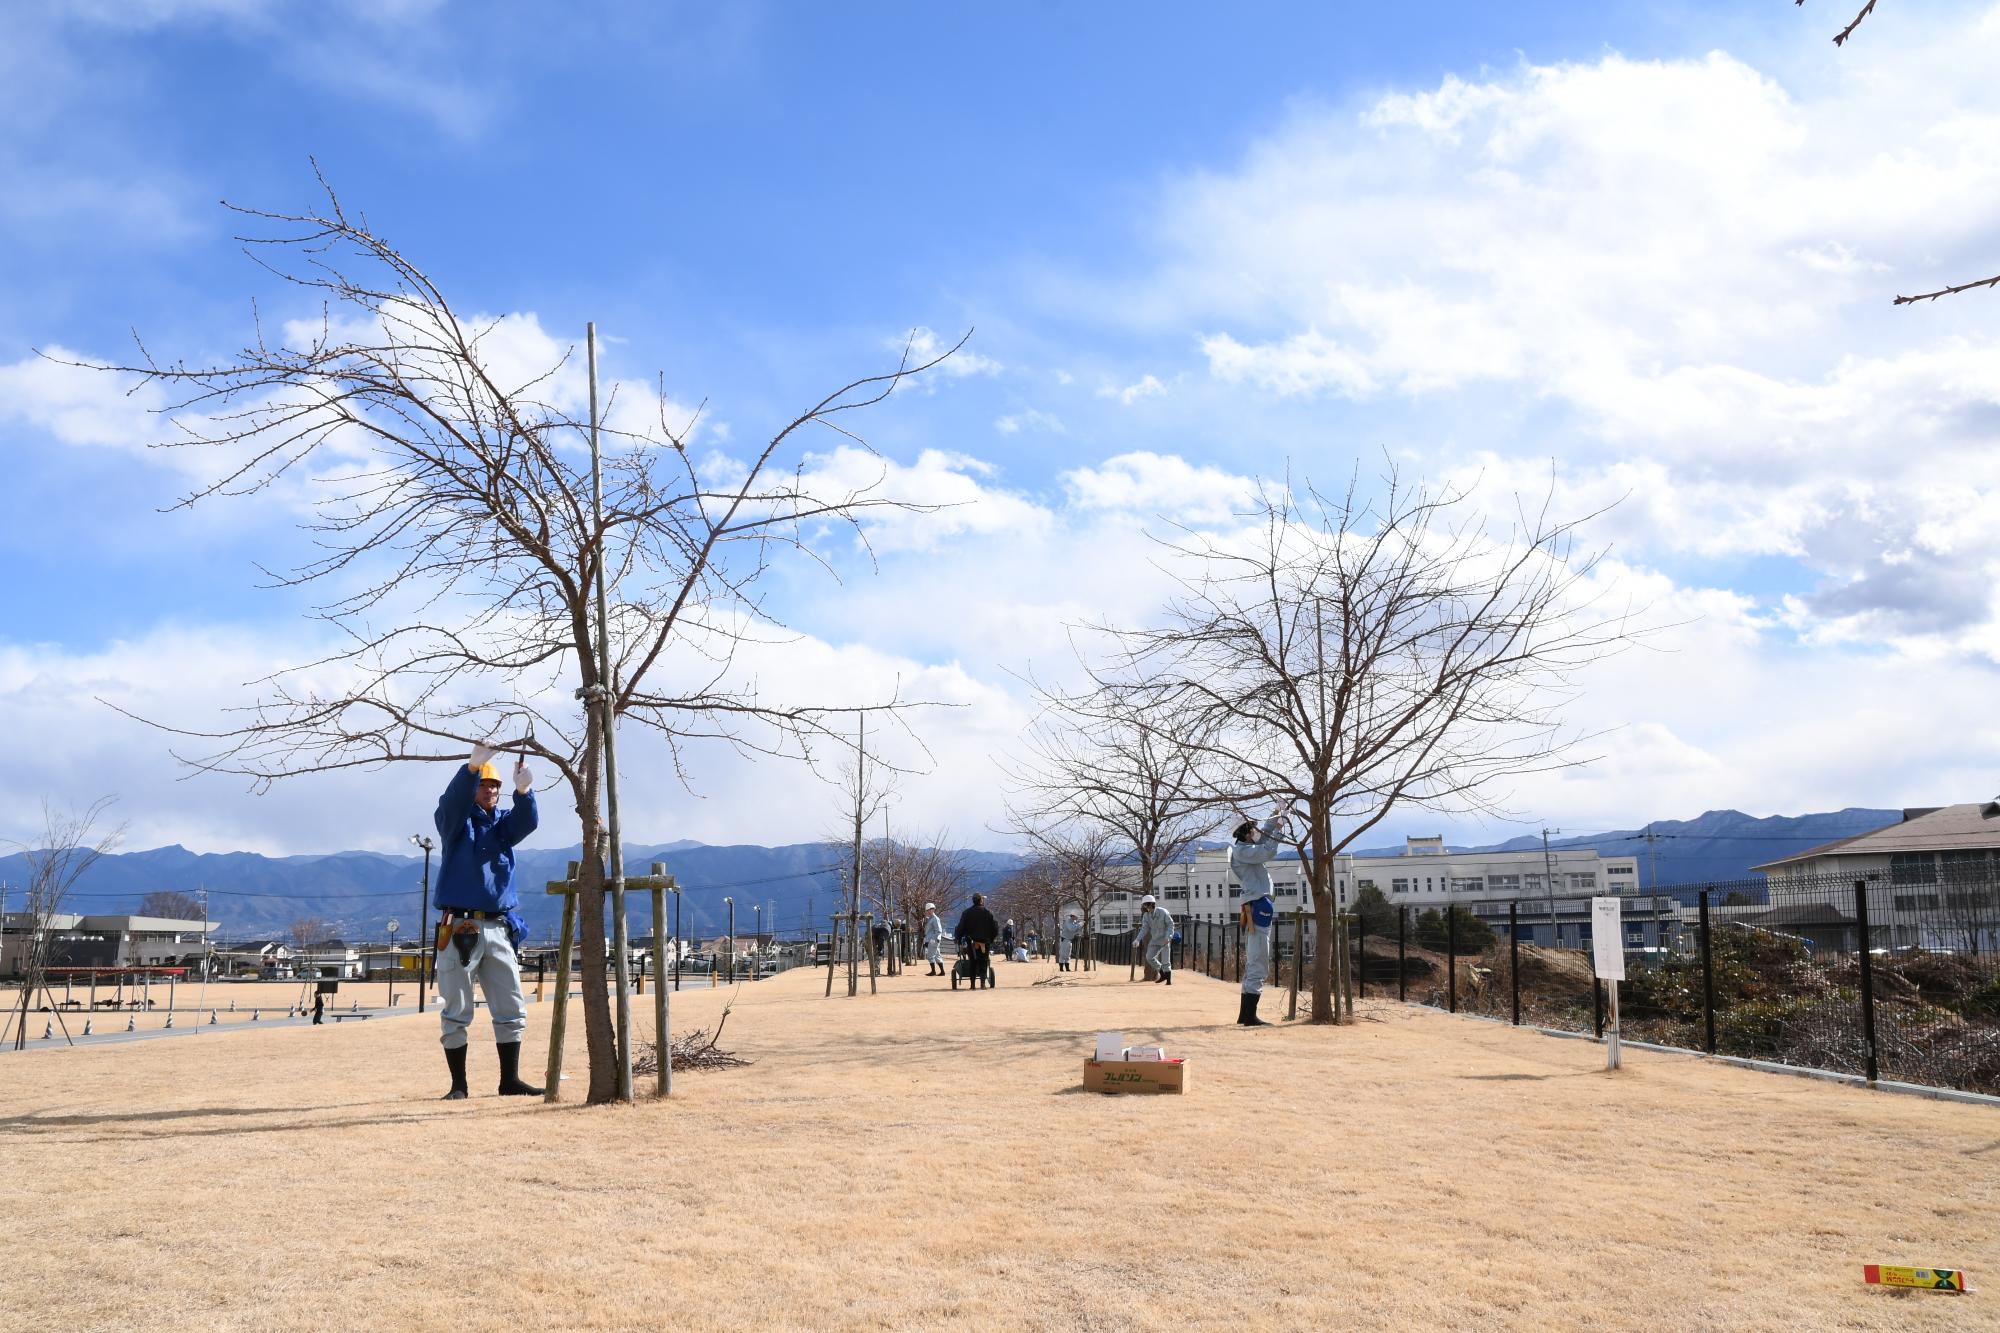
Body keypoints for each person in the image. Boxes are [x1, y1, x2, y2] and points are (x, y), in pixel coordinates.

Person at [433, 741, 541, 1099]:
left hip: (498, 926)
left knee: (511, 1004)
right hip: (461, 925)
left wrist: (523, 791)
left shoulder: (503, 827)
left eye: (496, 786)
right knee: (457, 1006)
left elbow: (527, 822)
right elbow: (450, 806)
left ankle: (509, 1080)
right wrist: (470, 768)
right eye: (485, 784)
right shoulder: (456, 826)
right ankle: (458, 1085)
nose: (492, 790)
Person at [1231, 807, 1287, 1026]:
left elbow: (1265, 834)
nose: (1256, 829)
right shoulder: (1243, 852)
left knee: (1255, 959)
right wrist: (1280, 829)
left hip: (1256, 905)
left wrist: (1276, 815)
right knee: (1258, 960)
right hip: (1257, 906)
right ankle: (1249, 1016)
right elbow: (1268, 850)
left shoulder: (1246, 848)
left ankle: (1245, 1015)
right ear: (1246, 832)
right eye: (1252, 827)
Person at [953, 893, 1000, 987]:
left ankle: (972, 984)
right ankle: (982, 983)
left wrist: (958, 938)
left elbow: (960, 927)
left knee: (973, 962)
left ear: (973, 901)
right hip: (985, 942)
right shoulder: (988, 912)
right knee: (984, 961)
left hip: (971, 942)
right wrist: (991, 938)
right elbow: (995, 928)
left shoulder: (967, 913)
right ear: (981, 900)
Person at [1133, 894, 1175, 984]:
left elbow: (1170, 925)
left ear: (1151, 904)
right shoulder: (1146, 916)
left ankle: (1168, 981)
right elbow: (1144, 928)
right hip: (1155, 940)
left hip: (1165, 939)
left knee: (1166, 961)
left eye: (1145, 904)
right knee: (1149, 957)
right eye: (1144, 905)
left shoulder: (1163, 912)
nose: (1145, 907)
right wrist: (1137, 939)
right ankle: (1162, 974)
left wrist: (1169, 937)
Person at [921, 903, 946, 976]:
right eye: (927, 910)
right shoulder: (931, 919)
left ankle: (933, 971)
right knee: (937, 956)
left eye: (929, 910)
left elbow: (938, 930)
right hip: (933, 939)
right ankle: (942, 971)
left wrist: (933, 940)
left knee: (930, 956)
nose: (928, 912)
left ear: (932, 910)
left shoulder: (935, 919)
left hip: (933, 940)